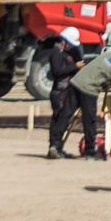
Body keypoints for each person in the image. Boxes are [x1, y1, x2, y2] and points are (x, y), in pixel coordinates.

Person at [67, 38, 111, 161]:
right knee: (89, 119)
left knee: (66, 114)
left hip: (77, 82)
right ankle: (90, 151)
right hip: (89, 88)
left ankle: (55, 145)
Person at [45, 29, 95, 159]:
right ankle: (54, 147)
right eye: (70, 44)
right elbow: (56, 72)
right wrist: (75, 66)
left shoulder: (65, 53)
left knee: (63, 119)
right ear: (64, 41)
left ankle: (57, 148)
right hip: (59, 92)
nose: (72, 46)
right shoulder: (56, 53)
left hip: (66, 91)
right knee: (58, 120)